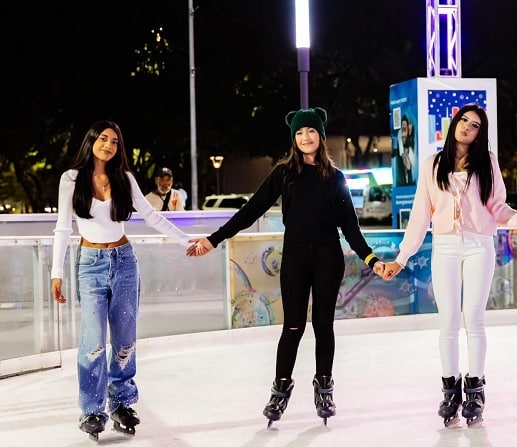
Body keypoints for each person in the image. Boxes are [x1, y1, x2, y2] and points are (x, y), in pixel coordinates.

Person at [187, 107, 386, 427]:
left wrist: (372, 260)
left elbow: (350, 228)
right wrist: (214, 239)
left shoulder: (335, 178)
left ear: (320, 136)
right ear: (294, 139)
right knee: (293, 326)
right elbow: (250, 211)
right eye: (299, 133)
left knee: (324, 325)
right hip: (295, 257)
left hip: (327, 258)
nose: (305, 137)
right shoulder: (283, 174)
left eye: (310, 131)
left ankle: (324, 387)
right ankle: (280, 388)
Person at [381, 104, 517, 427]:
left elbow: (498, 208)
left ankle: (475, 387)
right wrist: (402, 258)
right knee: (448, 320)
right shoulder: (432, 164)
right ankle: (449, 389)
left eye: (474, 125)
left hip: (478, 245)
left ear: (479, 133)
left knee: (473, 317)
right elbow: (419, 216)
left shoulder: (487, 163)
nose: (467, 127)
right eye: (463, 121)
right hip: (444, 246)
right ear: (454, 123)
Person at [50, 120, 194, 440]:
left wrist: (187, 241)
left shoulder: (124, 178)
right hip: (90, 264)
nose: (109, 145)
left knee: (125, 338)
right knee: (92, 342)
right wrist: (56, 273)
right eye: (103, 139)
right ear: (91, 142)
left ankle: (121, 402)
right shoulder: (71, 179)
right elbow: (63, 228)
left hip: (125, 261)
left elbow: (153, 216)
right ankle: (91, 409)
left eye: (115, 142)